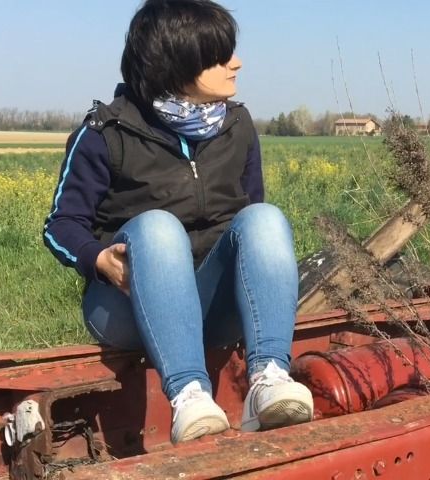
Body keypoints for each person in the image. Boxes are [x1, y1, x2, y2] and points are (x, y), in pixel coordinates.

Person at [42, 0, 313, 444]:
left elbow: (250, 227)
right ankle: (189, 397)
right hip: (128, 304)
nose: (237, 63)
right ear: (178, 64)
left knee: (264, 218)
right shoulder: (104, 134)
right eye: (220, 55)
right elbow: (61, 225)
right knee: (157, 227)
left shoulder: (239, 126)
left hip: (213, 306)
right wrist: (98, 260)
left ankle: (268, 381)